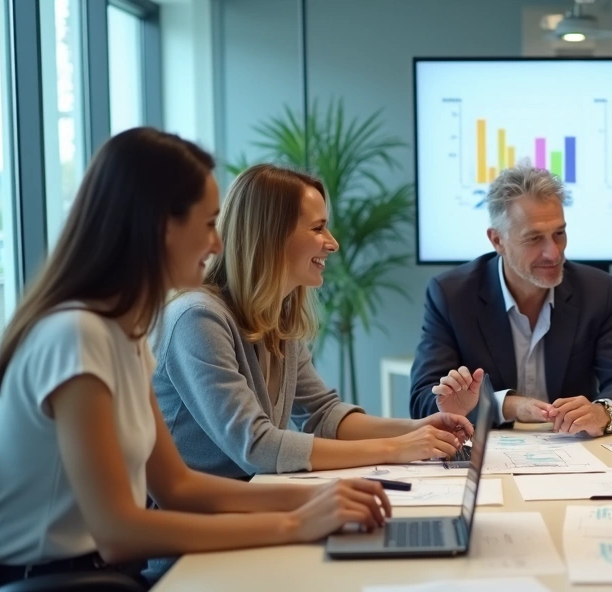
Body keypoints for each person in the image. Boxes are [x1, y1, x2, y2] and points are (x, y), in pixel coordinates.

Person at [0, 129, 390, 592]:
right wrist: (294, 524)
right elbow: (119, 531)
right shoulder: (77, 334)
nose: (218, 243)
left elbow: (177, 487)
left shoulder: (125, 333)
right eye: (207, 224)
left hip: (106, 589)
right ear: (161, 227)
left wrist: (327, 499)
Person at [153, 164, 472, 479]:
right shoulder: (197, 318)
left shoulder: (277, 318)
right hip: (192, 520)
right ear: (271, 236)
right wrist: (395, 447)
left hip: (251, 499)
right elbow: (257, 447)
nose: (332, 243)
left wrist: (419, 428)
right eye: (318, 228)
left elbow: (324, 414)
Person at [409, 163, 612, 437]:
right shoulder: (452, 295)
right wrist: (508, 405)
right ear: (497, 240)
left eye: (559, 234)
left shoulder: (595, 289)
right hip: (492, 454)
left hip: (574, 451)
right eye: (534, 238)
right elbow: (423, 401)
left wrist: (605, 412)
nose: (553, 253)